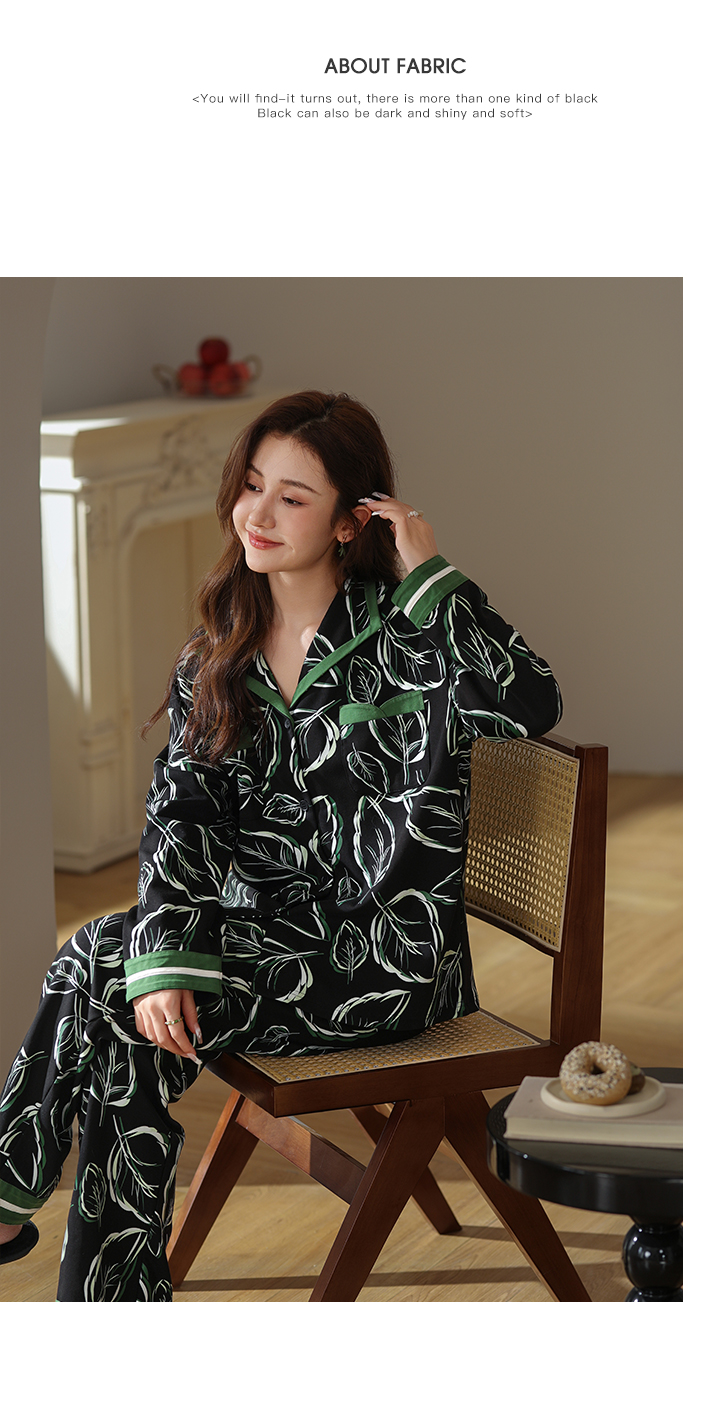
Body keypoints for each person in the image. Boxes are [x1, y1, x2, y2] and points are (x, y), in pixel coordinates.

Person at [0, 390, 562, 1301]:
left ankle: (32, 1228)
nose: (257, 513)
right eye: (252, 485)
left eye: (293, 497)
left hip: (389, 960)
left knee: (104, 970)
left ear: (350, 521)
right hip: (262, 942)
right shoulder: (219, 650)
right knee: (126, 993)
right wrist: (166, 953)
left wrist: (430, 572)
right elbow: (181, 815)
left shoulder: (408, 635)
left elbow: (531, 703)